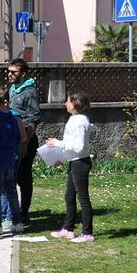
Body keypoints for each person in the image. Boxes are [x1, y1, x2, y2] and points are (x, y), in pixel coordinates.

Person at [47, 91, 94, 243]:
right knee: (69, 196)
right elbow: (72, 146)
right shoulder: (74, 119)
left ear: (76, 104)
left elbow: (79, 147)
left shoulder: (80, 121)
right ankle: (68, 229)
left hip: (80, 163)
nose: (65, 104)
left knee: (83, 198)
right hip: (74, 161)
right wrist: (61, 157)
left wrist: (57, 143)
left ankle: (87, 233)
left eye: (68, 101)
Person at [7, 58, 41, 223]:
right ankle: (13, 211)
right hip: (12, 139)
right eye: (8, 71)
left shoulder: (30, 92)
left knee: (24, 178)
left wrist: (25, 142)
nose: (9, 74)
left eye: (13, 72)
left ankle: (24, 212)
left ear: (23, 73)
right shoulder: (12, 89)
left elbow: (34, 119)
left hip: (26, 139)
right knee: (12, 176)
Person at [0, 86, 25, 235]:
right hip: (10, 159)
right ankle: (17, 222)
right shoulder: (13, 118)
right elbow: (18, 139)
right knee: (11, 191)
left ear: (2, 102)